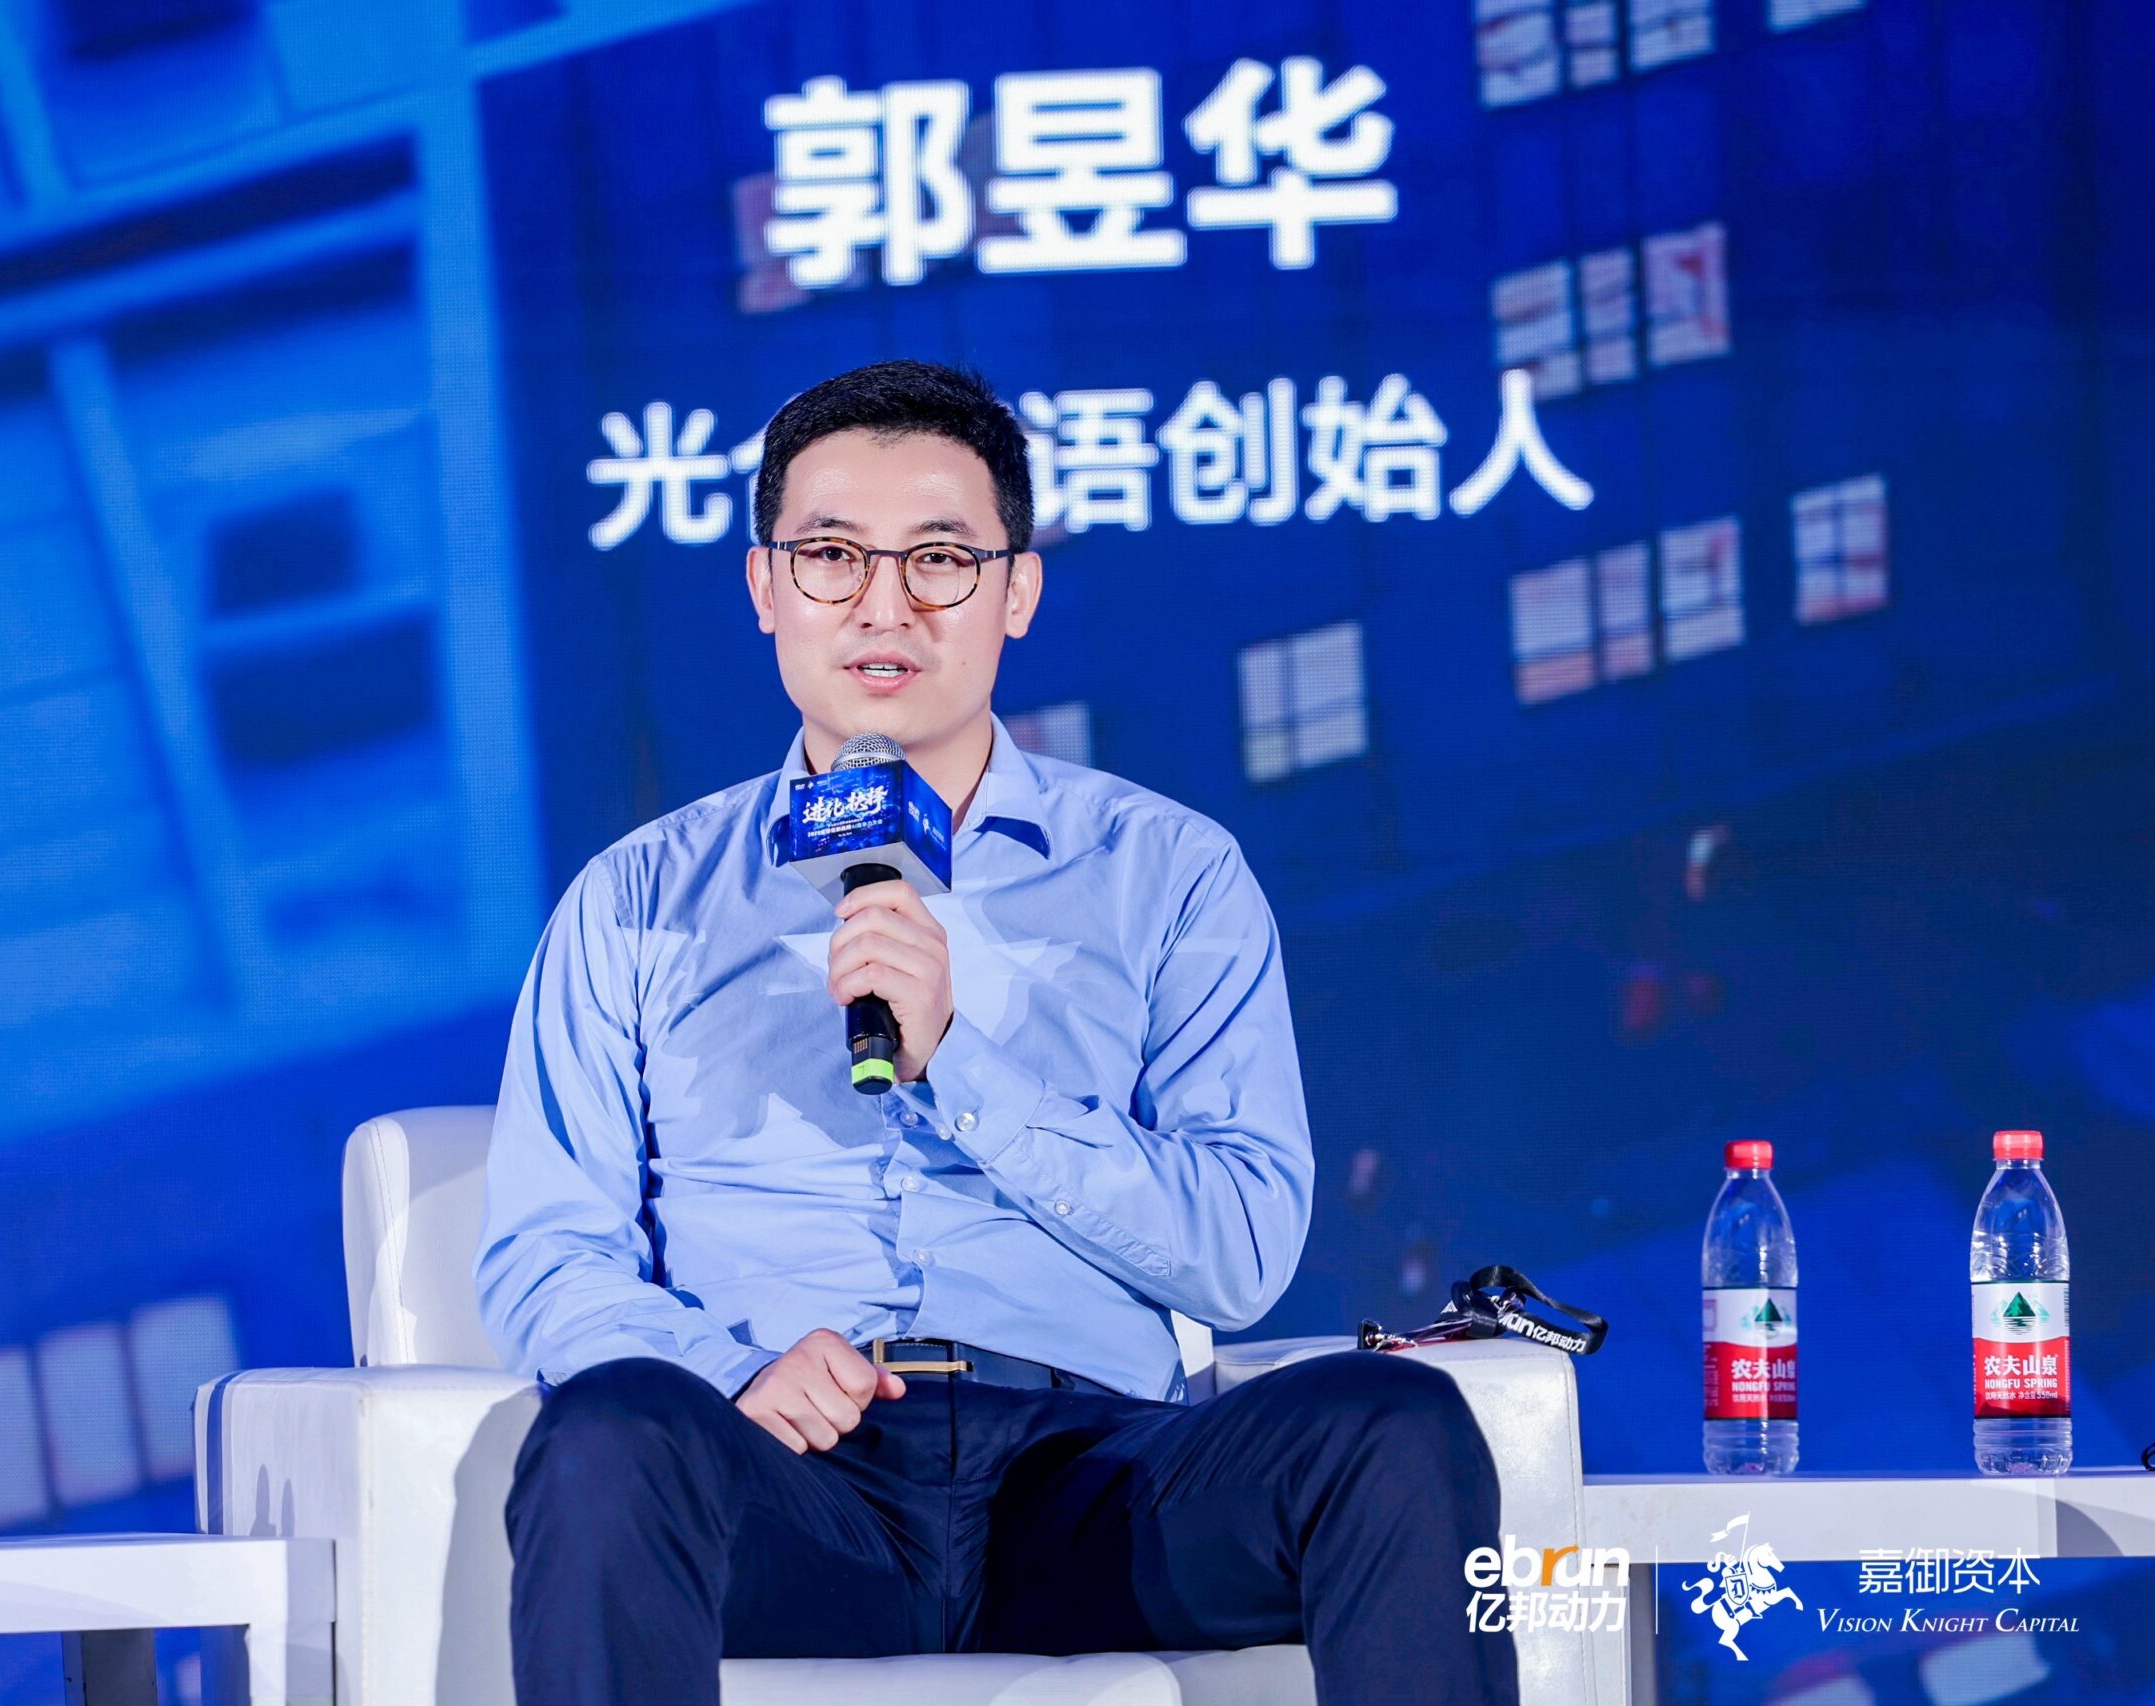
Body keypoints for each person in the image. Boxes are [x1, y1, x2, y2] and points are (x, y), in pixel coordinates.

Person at [475, 359, 1516, 1706]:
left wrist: (960, 1065)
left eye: (941, 559)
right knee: (606, 1434)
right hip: (787, 1479)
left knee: (1394, 1426)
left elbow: (1246, 1247)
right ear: (764, 587)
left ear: (1017, 591)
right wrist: (731, 1373)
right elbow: (547, 1251)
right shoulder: (634, 900)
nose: (884, 605)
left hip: (1093, 1479)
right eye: (832, 556)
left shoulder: (1168, 872)